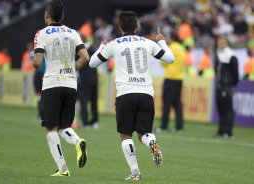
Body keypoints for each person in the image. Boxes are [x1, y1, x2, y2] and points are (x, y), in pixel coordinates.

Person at [89, 11, 175, 180]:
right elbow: (170, 59)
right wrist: (163, 42)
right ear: (137, 26)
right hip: (145, 93)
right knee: (144, 133)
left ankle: (135, 172)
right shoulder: (148, 43)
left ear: (119, 27)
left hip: (125, 93)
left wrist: (101, 46)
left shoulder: (114, 44)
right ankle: (151, 141)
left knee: (126, 134)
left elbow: (92, 63)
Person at [33, 0, 89, 176]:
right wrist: (73, 68)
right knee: (65, 126)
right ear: (63, 16)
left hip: (52, 83)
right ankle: (77, 140)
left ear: (47, 15)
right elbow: (85, 57)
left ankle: (63, 168)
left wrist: (35, 63)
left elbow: (37, 62)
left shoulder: (41, 34)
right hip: (70, 84)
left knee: (51, 129)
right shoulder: (73, 33)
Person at [156, 32, 185, 133]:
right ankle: (179, 126)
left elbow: (163, 62)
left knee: (167, 103)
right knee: (177, 104)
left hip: (171, 78)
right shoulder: (181, 48)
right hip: (179, 78)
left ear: (172, 38)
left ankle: (164, 126)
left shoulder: (171, 47)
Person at [214, 37, 239, 138]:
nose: (220, 44)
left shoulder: (231, 56)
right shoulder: (218, 54)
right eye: (219, 42)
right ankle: (221, 130)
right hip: (219, 85)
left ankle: (228, 131)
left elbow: (235, 73)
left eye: (222, 42)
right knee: (221, 108)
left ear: (226, 44)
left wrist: (232, 84)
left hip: (227, 85)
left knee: (227, 109)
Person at [78, 34, 99, 129]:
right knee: (94, 101)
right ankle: (94, 121)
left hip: (84, 79)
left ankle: (85, 122)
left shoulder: (79, 50)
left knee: (84, 101)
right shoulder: (92, 48)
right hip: (94, 78)